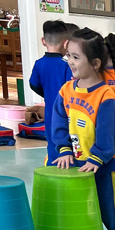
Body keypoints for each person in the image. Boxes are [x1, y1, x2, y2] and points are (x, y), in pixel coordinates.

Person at [51, 27, 115, 230]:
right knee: (87, 207)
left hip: (107, 163)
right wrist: (64, 148)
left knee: (113, 209)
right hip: (80, 162)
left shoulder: (106, 96)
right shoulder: (67, 90)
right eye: (68, 55)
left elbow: (108, 132)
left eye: (76, 57)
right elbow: (59, 122)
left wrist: (98, 157)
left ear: (96, 63)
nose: (70, 61)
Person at [29, 19, 72, 166]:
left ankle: (54, 166)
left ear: (43, 41)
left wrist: (47, 94)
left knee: (52, 140)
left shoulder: (39, 63)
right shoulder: (66, 64)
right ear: (66, 43)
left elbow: (33, 84)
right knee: (67, 141)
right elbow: (72, 87)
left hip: (49, 112)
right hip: (67, 111)